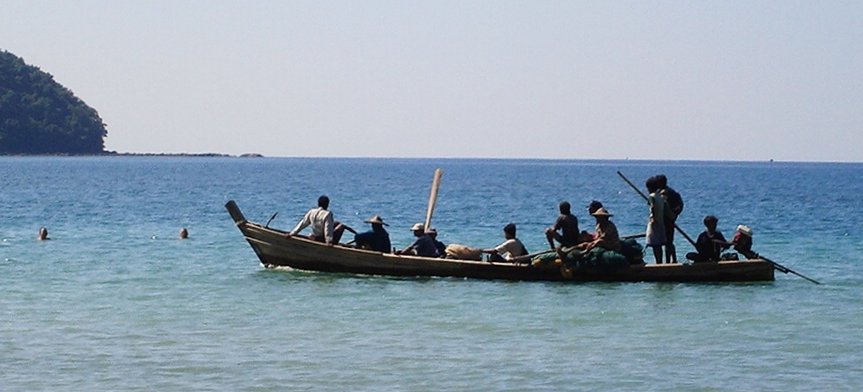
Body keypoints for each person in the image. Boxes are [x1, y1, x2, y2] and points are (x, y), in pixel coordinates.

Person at [286, 195, 355, 245]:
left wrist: (292, 234)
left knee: (337, 223)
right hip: (323, 239)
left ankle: (356, 234)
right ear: (327, 205)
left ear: (318, 203)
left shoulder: (312, 212)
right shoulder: (327, 214)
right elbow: (327, 229)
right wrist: (329, 241)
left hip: (316, 236)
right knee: (341, 226)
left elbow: (302, 224)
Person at [656, 174, 683, 264]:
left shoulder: (666, 193)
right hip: (668, 219)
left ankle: (669, 261)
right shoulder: (669, 192)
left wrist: (673, 214)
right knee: (668, 241)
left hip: (666, 220)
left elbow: (678, 206)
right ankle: (672, 259)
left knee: (667, 242)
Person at [645, 176, 670, 264]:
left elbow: (653, 207)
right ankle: (660, 261)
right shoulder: (661, 196)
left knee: (655, 244)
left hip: (654, 221)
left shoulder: (652, 196)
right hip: (661, 221)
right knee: (659, 243)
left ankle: (658, 262)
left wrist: (653, 218)